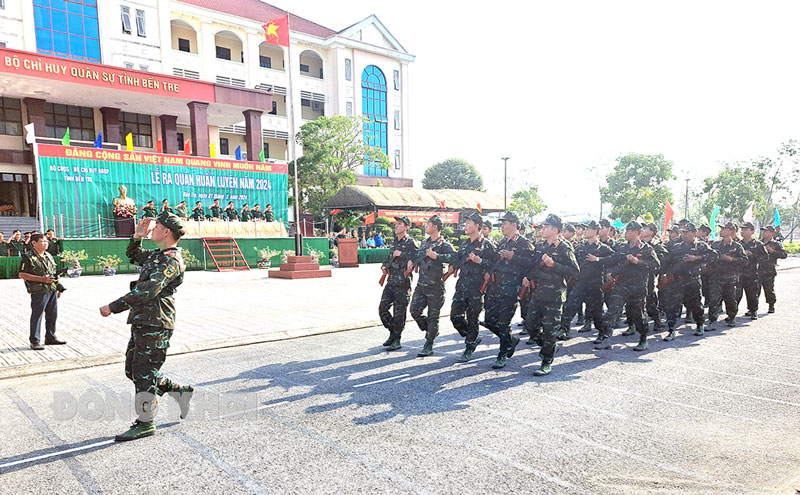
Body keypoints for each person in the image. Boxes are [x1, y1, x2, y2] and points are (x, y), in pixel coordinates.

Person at [99, 213, 193, 442]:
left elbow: (148, 290)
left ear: (167, 231)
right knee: (134, 370)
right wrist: (136, 236)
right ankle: (178, 390)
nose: (153, 228)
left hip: (157, 322)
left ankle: (145, 423)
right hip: (143, 320)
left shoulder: (171, 260)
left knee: (143, 373)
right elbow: (133, 255)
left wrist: (113, 306)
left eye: (157, 225)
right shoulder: (157, 255)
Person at [522, 214, 579, 376]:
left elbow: (575, 271)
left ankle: (546, 361)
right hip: (539, 292)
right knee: (530, 324)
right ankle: (549, 346)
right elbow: (534, 266)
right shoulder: (540, 246)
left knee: (549, 329)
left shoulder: (564, 247)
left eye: (546, 227)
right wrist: (528, 277)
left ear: (555, 229)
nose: (542, 229)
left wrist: (554, 264)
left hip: (554, 295)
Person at [593, 221, 659, 351]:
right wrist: (598, 260)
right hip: (622, 285)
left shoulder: (646, 249)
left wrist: (638, 261)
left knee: (638, 315)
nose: (626, 233)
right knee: (612, 311)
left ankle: (643, 339)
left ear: (636, 233)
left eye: (628, 231)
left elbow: (656, 265)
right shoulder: (623, 248)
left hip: (638, 286)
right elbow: (612, 258)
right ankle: (606, 338)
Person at [438, 211, 496, 361]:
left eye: (469, 223)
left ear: (477, 226)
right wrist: (452, 266)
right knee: (455, 316)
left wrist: (481, 262)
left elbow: (496, 265)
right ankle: (472, 336)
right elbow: (457, 258)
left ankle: (469, 346)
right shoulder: (464, 244)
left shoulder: (487, 245)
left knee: (472, 318)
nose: (466, 226)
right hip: (462, 285)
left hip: (476, 288)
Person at [481, 212, 532, 369]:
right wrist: (489, 272)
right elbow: (496, 261)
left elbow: (532, 263)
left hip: (511, 289)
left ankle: (502, 354)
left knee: (503, 323)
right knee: (489, 320)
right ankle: (510, 340)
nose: (502, 226)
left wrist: (513, 256)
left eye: (505, 223)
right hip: (496, 287)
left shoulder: (524, 243)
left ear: (514, 225)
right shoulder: (502, 242)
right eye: (502, 223)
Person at [659, 223, 717, 340]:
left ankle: (700, 324)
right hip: (676, 281)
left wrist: (697, 258)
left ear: (694, 233)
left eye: (686, 232)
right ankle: (671, 330)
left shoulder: (700, 246)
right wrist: (664, 274)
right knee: (673, 306)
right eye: (683, 232)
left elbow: (714, 256)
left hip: (692, 281)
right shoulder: (675, 247)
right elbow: (666, 261)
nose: (684, 235)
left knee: (696, 305)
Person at [408, 215, 455, 356]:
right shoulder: (424, 243)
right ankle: (431, 329)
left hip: (435, 287)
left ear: (435, 227)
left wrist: (438, 257)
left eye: (428, 224)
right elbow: (417, 255)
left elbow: (455, 258)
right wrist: (411, 261)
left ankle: (429, 343)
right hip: (421, 285)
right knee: (414, 311)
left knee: (433, 316)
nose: (425, 226)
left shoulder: (444, 245)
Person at [560, 220, 615, 338]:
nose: (585, 231)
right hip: (581, 282)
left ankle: (603, 334)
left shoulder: (603, 248)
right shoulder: (580, 247)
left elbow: (615, 259)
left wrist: (598, 260)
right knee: (570, 306)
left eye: (588, 229)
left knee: (597, 313)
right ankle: (563, 330)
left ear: (595, 231)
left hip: (595, 284)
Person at [18, 233, 67, 350]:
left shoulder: (48, 255)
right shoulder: (28, 257)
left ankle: (50, 336)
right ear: (34, 243)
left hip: (51, 289)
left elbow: (53, 273)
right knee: (37, 315)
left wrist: (57, 286)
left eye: (46, 241)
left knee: (52, 314)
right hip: (38, 290)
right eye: (43, 241)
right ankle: (35, 340)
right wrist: (42, 279)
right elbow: (22, 274)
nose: (46, 243)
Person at [378, 216, 419, 350]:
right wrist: (384, 266)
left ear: (407, 227)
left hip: (403, 282)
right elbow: (389, 257)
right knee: (382, 308)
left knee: (399, 312)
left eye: (400, 224)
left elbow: (418, 256)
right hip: (391, 281)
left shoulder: (411, 242)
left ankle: (397, 338)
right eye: (397, 224)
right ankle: (392, 331)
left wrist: (402, 254)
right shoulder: (394, 242)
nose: (397, 226)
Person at [707, 222, 747, 330]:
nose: (721, 231)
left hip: (730, 278)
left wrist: (732, 259)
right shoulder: (715, 245)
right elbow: (708, 257)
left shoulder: (737, 246)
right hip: (716, 277)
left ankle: (731, 317)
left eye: (724, 229)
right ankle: (712, 320)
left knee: (730, 299)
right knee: (714, 299)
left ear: (731, 231)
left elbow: (745, 261)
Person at [737, 222, 768, 319]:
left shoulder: (758, 244)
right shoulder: (738, 244)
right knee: (736, 294)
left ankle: (753, 311)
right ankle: (732, 313)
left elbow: (765, 258)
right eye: (742, 229)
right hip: (739, 273)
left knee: (752, 294)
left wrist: (753, 255)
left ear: (752, 231)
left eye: (746, 229)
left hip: (752, 273)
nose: (743, 231)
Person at [760, 225, 788, 313]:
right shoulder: (758, 243)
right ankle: (753, 309)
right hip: (756, 270)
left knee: (768, 289)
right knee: (754, 290)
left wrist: (773, 251)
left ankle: (771, 305)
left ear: (772, 233)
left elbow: (784, 255)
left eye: (766, 231)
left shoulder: (776, 244)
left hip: (769, 270)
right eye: (763, 231)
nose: (764, 233)